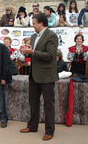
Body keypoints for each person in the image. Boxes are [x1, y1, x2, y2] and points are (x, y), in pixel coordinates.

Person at [20, 13, 58, 141]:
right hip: (34, 75)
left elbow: (50, 56)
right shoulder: (33, 36)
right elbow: (34, 54)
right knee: (33, 102)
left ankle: (49, 131)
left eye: (34, 23)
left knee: (48, 104)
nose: (33, 26)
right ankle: (32, 126)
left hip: (47, 75)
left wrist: (33, 52)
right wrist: (27, 51)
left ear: (41, 23)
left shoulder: (51, 36)